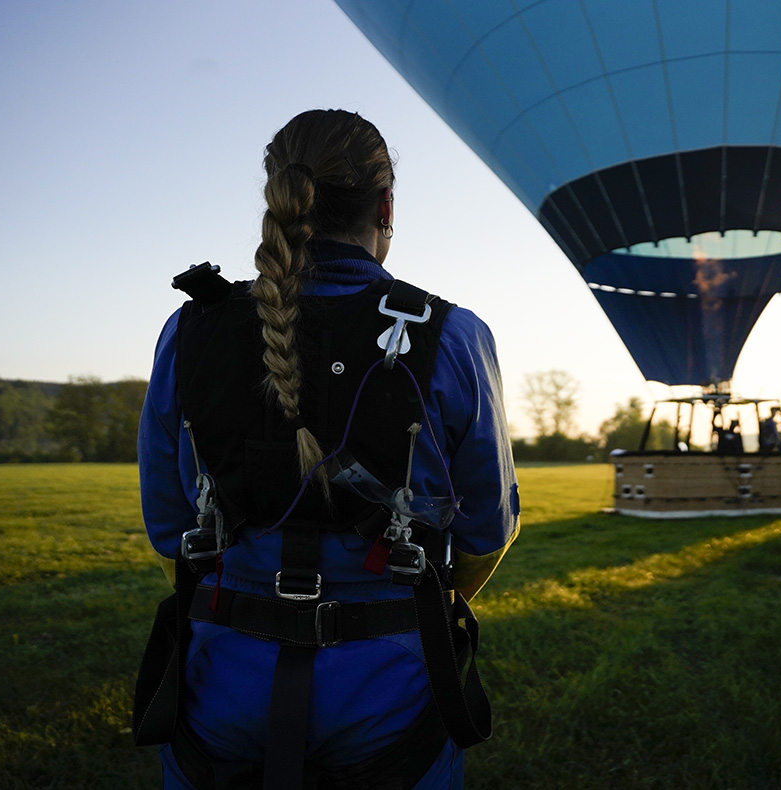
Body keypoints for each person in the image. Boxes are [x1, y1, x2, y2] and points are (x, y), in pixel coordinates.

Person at [135, 110, 519, 789]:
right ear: (386, 207)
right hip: (390, 688)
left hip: (220, 679)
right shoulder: (453, 336)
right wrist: (434, 592)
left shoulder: (191, 327)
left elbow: (170, 524)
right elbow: (487, 529)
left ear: (278, 199)